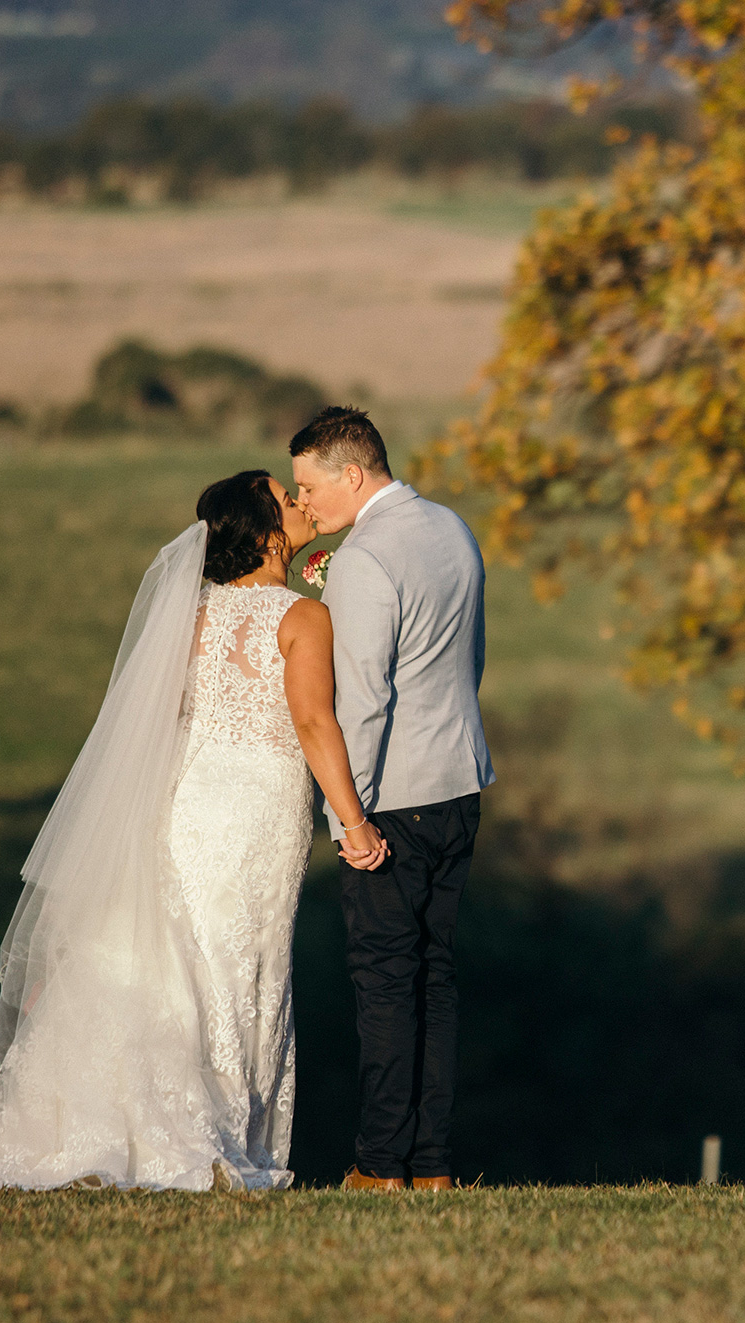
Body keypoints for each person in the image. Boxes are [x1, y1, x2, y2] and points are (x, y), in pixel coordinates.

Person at [0, 471, 386, 1191]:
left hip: (188, 804)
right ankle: (223, 1133)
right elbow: (311, 721)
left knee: (179, 958)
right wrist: (353, 824)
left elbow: (158, 722)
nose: (301, 505)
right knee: (242, 961)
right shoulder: (302, 617)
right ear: (267, 533)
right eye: (287, 497)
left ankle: (142, 1123)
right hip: (254, 814)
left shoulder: (191, 614)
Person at [289, 406, 493, 1192]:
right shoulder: (451, 527)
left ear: (352, 472)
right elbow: (468, 655)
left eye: (310, 488)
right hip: (459, 781)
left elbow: (362, 701)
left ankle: (380, 1164)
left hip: (392, 801)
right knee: (433, 980)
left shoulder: (366, 558)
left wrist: (351, 817)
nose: (306, 506)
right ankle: (433, 1165)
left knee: (383, 985)